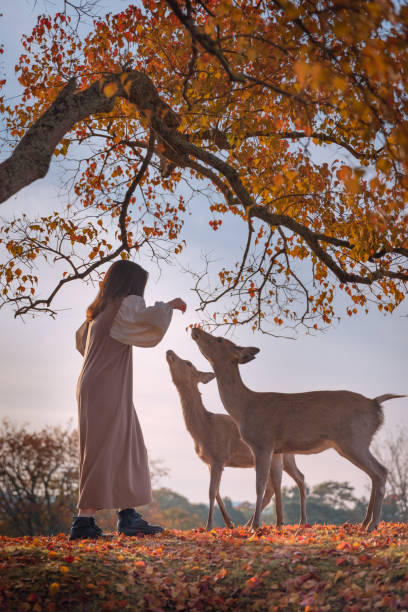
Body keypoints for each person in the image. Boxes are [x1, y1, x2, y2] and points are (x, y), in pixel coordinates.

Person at [69, 259, 186, 540]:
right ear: (130, 284)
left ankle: (127, 515)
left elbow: (80, 342)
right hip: (106, 385)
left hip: (95, 383)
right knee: (102, 449)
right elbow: (147, 321)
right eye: (140, 286)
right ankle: (83, 523)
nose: (141, 293)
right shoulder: (124, 305)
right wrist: (171, 304)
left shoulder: (97, 312)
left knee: (128, 443)